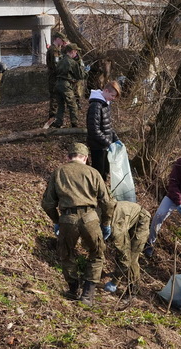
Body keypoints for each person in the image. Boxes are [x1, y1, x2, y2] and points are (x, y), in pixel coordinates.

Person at [41, 142, 116, 306]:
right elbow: (108, 203)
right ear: (86, 158)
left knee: (66, 254)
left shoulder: (59, 172)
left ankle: (73, 289)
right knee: (96, 254)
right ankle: (87, 295)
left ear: (68, 157)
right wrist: (106, 222)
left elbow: (47, 203)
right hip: (90, 218)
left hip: (67, 219)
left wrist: (56, 221)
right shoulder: (93, 172)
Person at [103, 201, 150, 296]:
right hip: (126, 217)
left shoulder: (115, 230)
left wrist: (114, 282)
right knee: (122, 253)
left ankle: (133, 292)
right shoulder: (96, 217)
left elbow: (125, 258)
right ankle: (121, 274)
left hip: (141, 220)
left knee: (132, 258)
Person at [86, 80, 121, 181]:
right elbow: (94, 130)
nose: (113, 98)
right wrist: (109, 143)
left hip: (105, 145)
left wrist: (116, 139)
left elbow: (108, 126)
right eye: (113, 95)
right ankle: (96, 193)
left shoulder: (106, 104)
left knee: (105, 171)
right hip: (97, 146)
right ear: (106, 91)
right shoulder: (96, 106)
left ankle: (103, 191)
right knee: (98, 173)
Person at [50, 43, 85, 129]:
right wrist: (83, 68)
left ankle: (58, 123)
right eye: (76, 52)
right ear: (72, 51)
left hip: (57, 84)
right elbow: (80, 76)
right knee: (73, 105)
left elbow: (55, 71)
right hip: (66, 85)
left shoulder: (60, 60)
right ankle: (74, 124)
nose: (76, 54)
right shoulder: (72, 62)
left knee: (61, 105)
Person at [46, 32, 69, 123]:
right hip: (54, 78)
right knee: (55, 99)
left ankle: (55, 118)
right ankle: (52, 118)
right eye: (62, 40)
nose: (63, 42)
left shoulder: (56, 49)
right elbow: (56, 65)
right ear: (57, 39)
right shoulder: (54, 50)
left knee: (57, 98)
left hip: (55, 77)